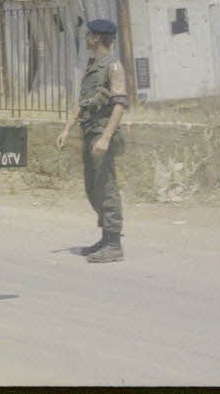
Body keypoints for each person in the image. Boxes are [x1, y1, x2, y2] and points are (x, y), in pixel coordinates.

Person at [56, 18, 129, 263]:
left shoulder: (113, 66)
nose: (86, 38)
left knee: (106, 186)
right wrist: (67, 129)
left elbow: (119, 105)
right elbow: (83, 102)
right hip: (89, 131)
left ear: (96, 38)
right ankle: (106, 237)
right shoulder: (93, 65)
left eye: (88, 35)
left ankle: (113, 243)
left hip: (101, 133)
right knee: (92, 188)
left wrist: (106, 138)